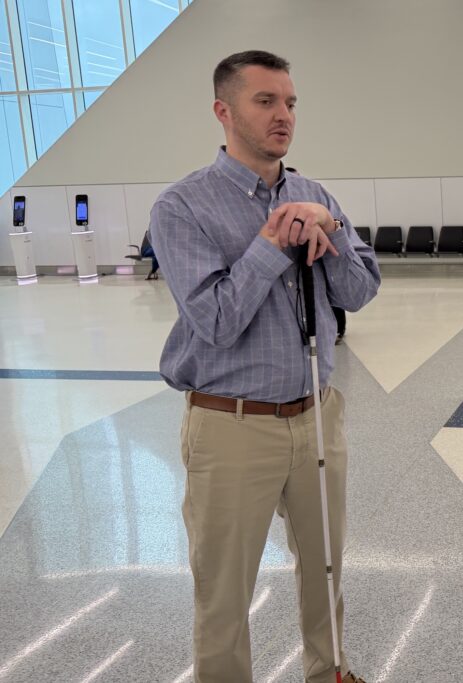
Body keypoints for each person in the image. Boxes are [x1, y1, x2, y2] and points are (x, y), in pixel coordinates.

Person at [149, 50, 380, 683]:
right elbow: (216, 321)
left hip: (315, 416)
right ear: (224, 112)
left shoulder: (314, 193)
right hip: (231, 425)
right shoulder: (183, 207)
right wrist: (271, 245)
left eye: (291, 102)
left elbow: (359, 293)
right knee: (224, 589)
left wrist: (326, 237)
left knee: (325, 567)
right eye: (266, 101)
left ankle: (329, 670)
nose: (284, 115)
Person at [286, 166, 347, 343]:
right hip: (300, 261)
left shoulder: (315, 200)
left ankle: (339, 329)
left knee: (332, 295)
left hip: (322, 258)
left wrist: (329, 225)